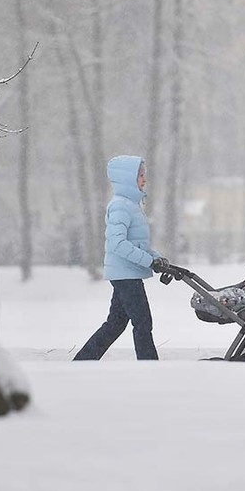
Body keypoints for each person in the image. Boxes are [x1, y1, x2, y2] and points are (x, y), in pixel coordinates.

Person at [73, 155, 170, 361]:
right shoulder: (120, 206)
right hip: (125, 274)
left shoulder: (131, 205)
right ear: (127, 179)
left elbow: (137, 244)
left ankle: (83, 361)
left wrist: (157, 258)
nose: (144, 179)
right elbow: (117, 244)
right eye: (140, 175)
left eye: (144, 174)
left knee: (115, 324)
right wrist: (148, 261)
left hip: (127, 273)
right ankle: (149, 365)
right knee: (142, 322)